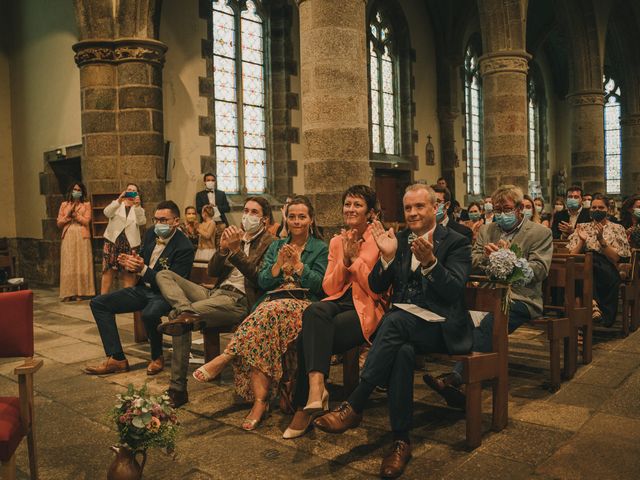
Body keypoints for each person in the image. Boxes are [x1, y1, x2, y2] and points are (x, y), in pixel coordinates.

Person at [313, 184, 473, 478]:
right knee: (401, 348)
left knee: (395, 321)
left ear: (434, 207)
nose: (412, 213)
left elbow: (453, 291)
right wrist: (386, 259)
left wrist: (431, 263)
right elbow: (375, 286)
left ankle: (355, 404)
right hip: (405, 329)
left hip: (442, 326)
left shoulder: (457, 240)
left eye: (419, 207)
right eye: (408, 208)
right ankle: (401, 441)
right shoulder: (398, 239)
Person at [191, 196, 328, 431]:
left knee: (264, 318)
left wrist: (298, 266)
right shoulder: (276, 245)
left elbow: (320, 286)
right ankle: (259, 400)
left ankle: (229, 359)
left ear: (311, 220)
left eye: (302, 216)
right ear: (287, 218)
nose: (296, 221)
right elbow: (263, 281)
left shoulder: (320, 247)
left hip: (302, 303)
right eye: (292, 216)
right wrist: (277, 265)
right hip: (273, 301)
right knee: (260, 331)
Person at [424, 185, 552, 410]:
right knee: (457, 315)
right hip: (486, 293)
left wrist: (509, 260)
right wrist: (486, 258)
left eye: (507, 209)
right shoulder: (487, 230)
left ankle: (457, 378)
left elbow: (539, 270)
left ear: (521, 208)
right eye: (498, 209)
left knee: (488, 322)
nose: (502, 214)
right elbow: (470, 260)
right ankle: (463, 375)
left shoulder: (540, 233)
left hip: (521, 298)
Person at [283, 185, 386, 439]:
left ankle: (304, 407)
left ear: (370, 212)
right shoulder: (337, 241)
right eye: (347, 204)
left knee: (305, 337)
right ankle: (317, 387)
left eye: (357, 205)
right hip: (339, 300)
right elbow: (329, 287)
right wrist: (343, 260)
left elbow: (376, 290)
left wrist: (354, 261)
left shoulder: (381, 239)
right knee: (314, 311)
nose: (350, 209)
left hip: (367, 308)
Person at [154, 197, 275, 408]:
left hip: (238, 300)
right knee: (164, 274)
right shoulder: (236, 235)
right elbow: (212, 271)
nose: (247, 215)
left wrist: (236, 251)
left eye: (254, 212)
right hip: (215, 293)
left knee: (176, 319)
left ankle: (177, 389)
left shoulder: (270, 243)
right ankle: (186, 312)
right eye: (245, 210)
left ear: (264, 219)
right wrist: (222, 250)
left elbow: (259, 278)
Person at [84, 201, 195, 376]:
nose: (159, 224)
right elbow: (143, 257)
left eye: (164, 220)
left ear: (176, 221)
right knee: (99, 303)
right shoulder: (151, 233)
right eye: (156, 219)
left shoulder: (185, 247)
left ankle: (157, 357)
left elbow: (172, 283)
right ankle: (117, 358)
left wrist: (142, 269)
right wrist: (130, 261)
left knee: (149, 313)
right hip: (144, 288)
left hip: (167, 295)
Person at [568, 194, 630, 327]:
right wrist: (581, 241)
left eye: (601, 207)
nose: (597, 210)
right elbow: (571, 255)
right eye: (594, 207)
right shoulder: (582, 227)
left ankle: (587, 312)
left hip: (607, 268)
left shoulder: (617, 228)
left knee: (589, 264)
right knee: (584, 267)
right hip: (584, 265)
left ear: (608, 209)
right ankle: (591, 306)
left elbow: (616, 258)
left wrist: (601, 240)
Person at [101, 184, 146, 294]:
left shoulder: (138, 209)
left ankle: (126, 303)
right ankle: (102, 302)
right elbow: (106, 212)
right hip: (112, 243)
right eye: (129, 190)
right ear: (125, 192)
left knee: (129, 276)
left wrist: (137, 206)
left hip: (130, 245)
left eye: (134, 191)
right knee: (108, 274)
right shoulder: (116, 204)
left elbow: (142, 222)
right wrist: (119, 200)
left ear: (137, 194)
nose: (131, 192)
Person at [57, 182, 95, 301]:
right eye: (74, 189)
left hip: (82, 235)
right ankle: (68, 292)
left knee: (81, 262)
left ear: (82, 192)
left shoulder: (86, 205)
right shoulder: (64, 204)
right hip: (68, 234)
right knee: (69, 263)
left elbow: (86, 221)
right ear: (71, 191)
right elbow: (59, 223)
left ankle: (81, 292)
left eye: (79, 190)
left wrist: (76, 215)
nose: (76, 191)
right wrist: (68, 215)